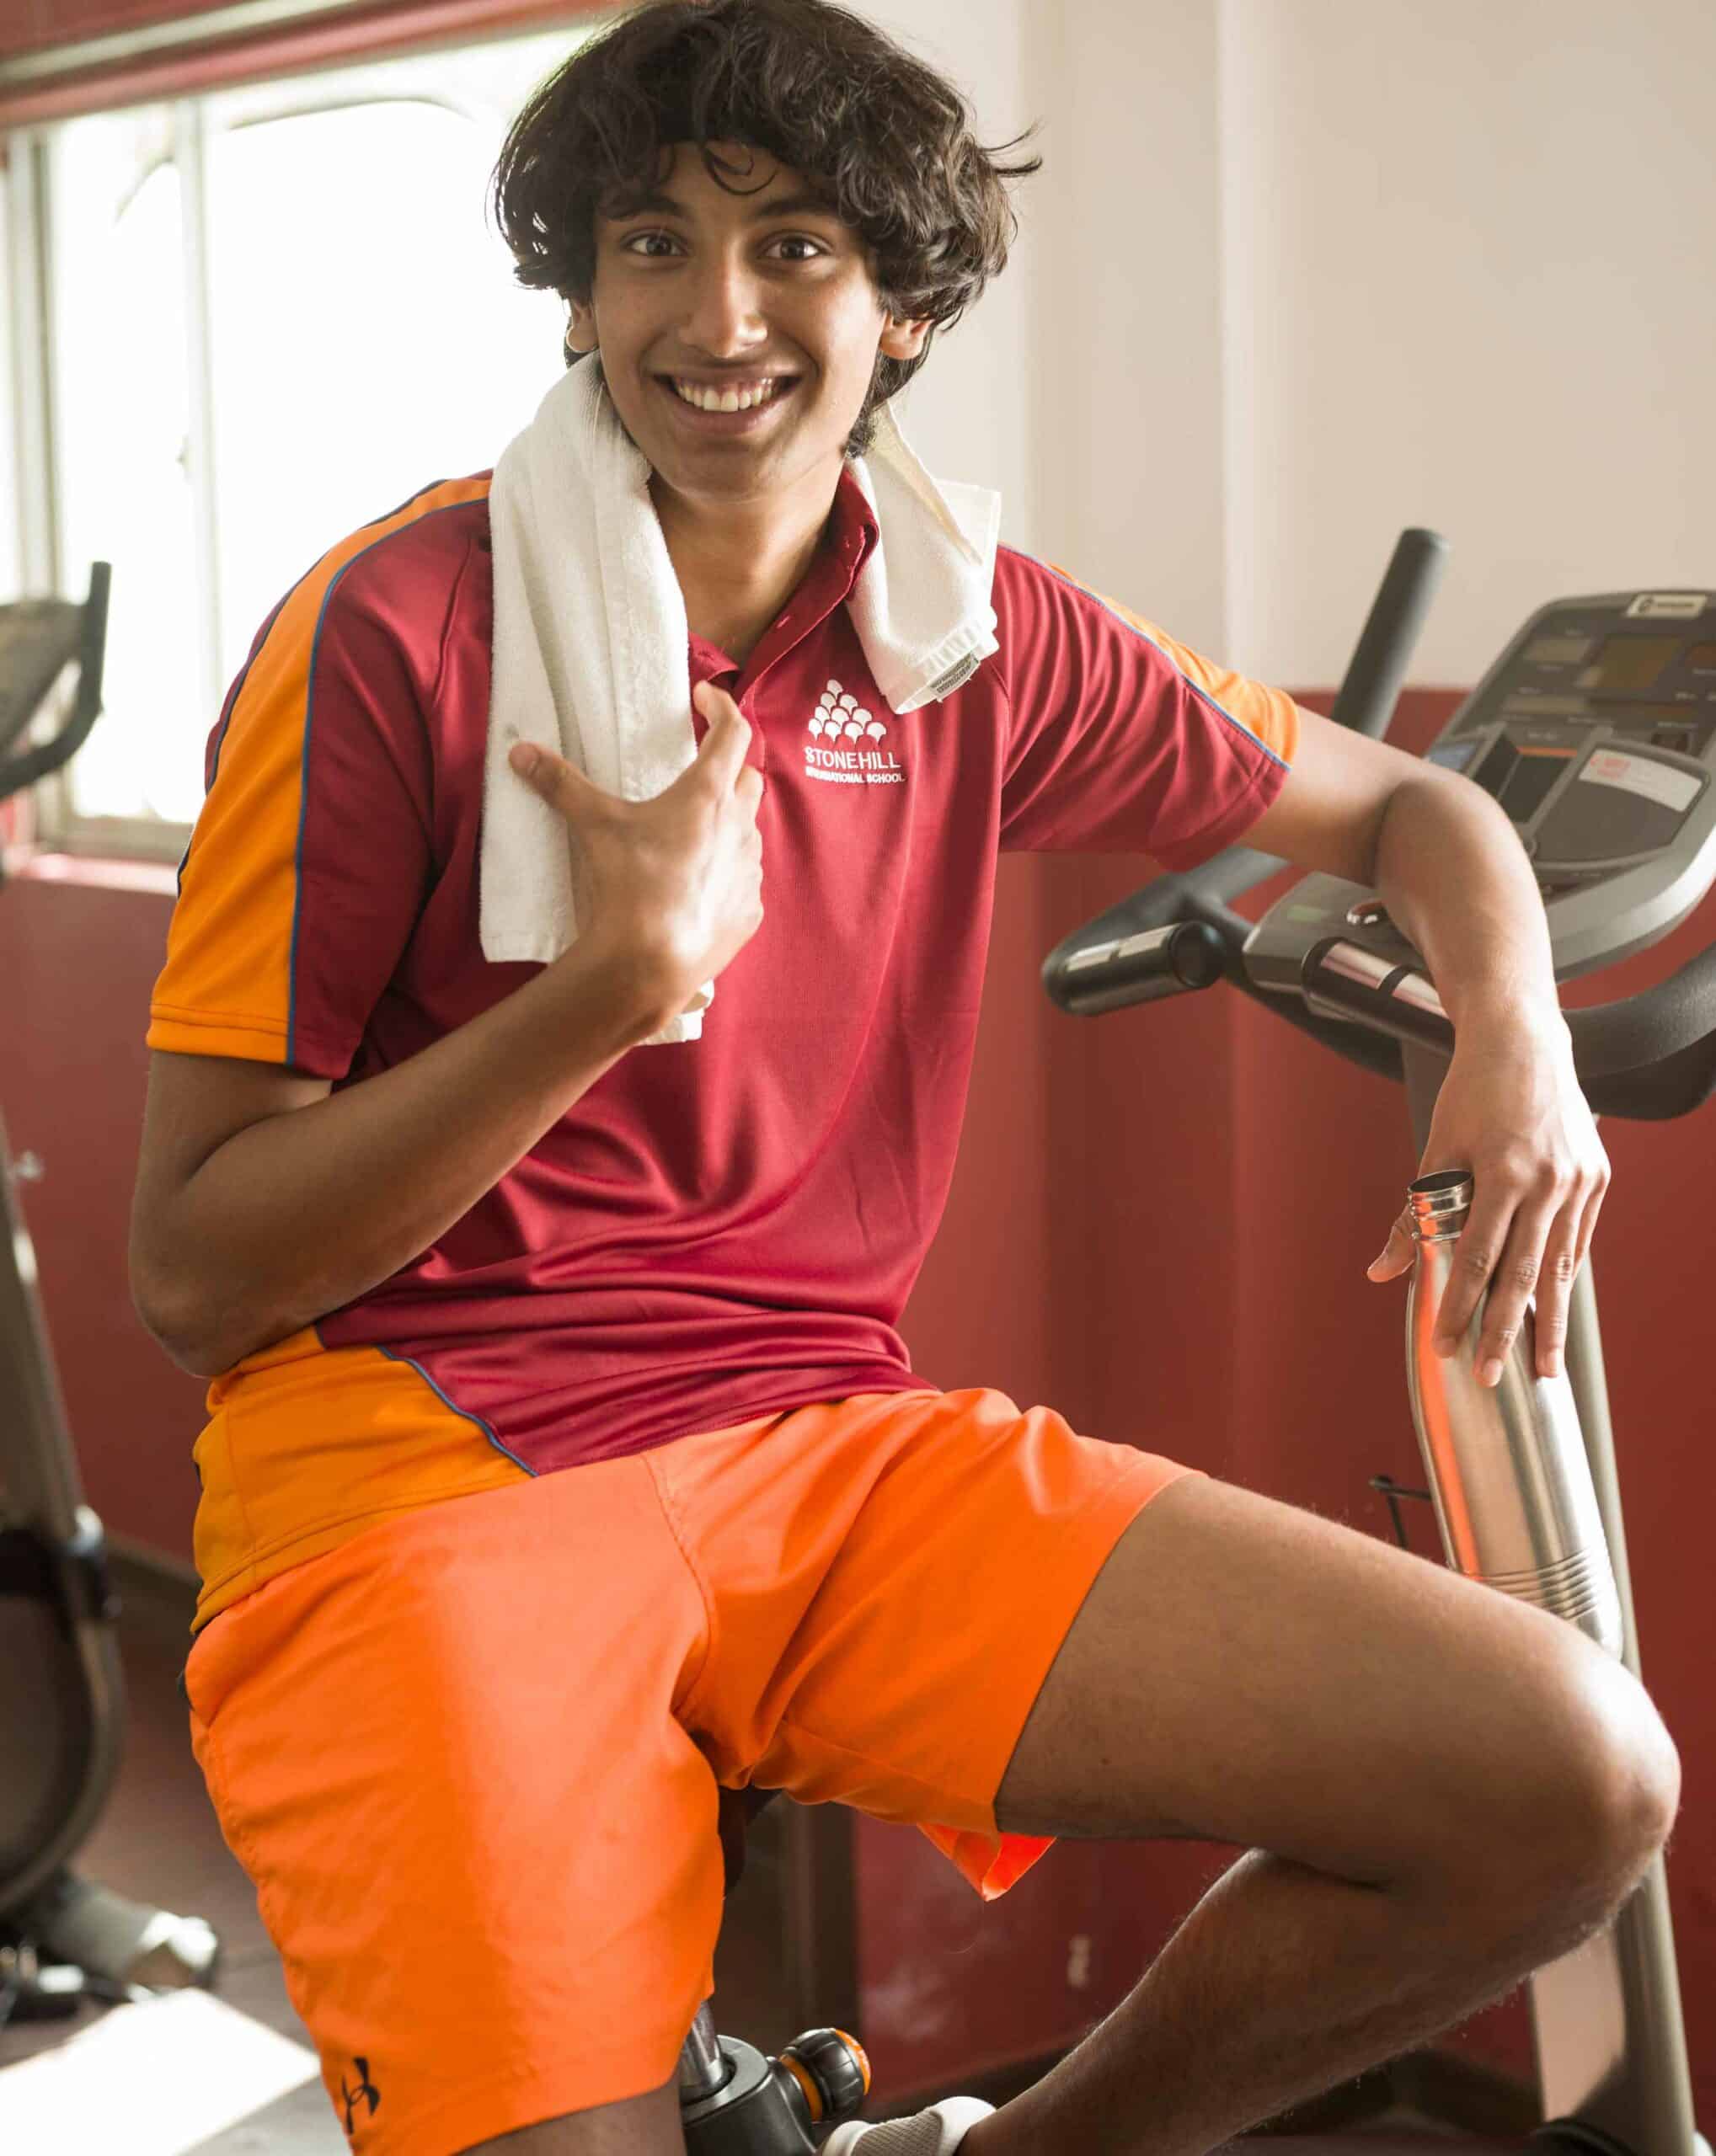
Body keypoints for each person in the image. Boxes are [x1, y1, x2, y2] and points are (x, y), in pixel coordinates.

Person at [127, 3, 1679, 2153]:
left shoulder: (965, 633)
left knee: (1564, 1782)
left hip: (813, 1436)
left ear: (907, 306)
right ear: (577, 286)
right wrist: (613, 982)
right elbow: (198, 1266)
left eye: (796, 250)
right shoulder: (392, 630)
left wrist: (1513, 1045)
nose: (717, 315)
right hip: (409, 1478)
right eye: (651, 243)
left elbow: (1418, 812)